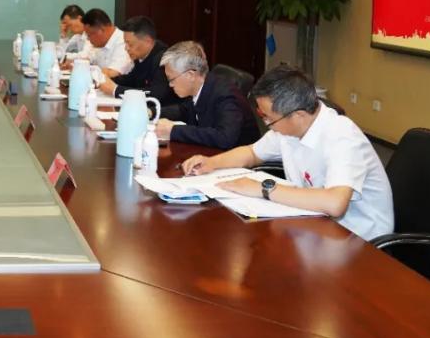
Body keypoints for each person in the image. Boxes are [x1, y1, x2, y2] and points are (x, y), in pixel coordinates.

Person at [180, 65, 393, 241]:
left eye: (269, 118)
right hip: (315, 226)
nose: (267, 123)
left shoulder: (342, 136)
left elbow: (335, 204)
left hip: (358, 240)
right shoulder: (290, 126)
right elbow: (252, 153)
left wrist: (264, 189)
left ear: (298, 115)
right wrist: (211, 163)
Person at [154, 41, 260, 149]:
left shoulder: (226, 96)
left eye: (171, 79)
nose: (170, 85)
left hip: (237, 156)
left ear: (190, 75)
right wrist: (152, 112)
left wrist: (173, 130)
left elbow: (224, 138)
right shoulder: (200, 87)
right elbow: (183, 110)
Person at [97, 16, 178, 104]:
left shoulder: (163, 60)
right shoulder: (141, 56)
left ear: (148, 41)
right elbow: (131, 79)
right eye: (125, 43)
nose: (126, 48)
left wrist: (116, 90)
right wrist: (106, 81)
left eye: (130, 44)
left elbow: (156, 94)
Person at [79, 8, 133, 77]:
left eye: (89, 35)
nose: (88, 39)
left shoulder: (123, 41)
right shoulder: (100, 44)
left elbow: (113, 74)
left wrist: (85, 69)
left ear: (101, 30)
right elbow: (87, 59)